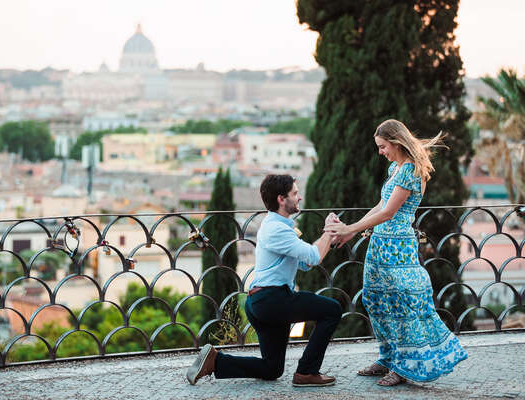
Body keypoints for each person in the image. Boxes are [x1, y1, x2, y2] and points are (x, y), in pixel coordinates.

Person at [325, 119, 468, 386]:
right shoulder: (395, 168)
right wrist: (353, 231)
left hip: (397, 248)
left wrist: (350, 227)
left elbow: (390, 213)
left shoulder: (410, 172)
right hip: (379, 245)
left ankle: (404, 366)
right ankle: (387, 358)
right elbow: (380, 205)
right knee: (375, 300)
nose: (380, 152)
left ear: (395, 141)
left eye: (382, 146)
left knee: (400, 305)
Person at [186, 174, 342, 387]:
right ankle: (307, 372)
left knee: (272, 369)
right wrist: (328, 230)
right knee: (332, 310)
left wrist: (329, 239)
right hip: (273, 299)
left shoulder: (278, 227)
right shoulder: (276, 229)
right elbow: (314, 256)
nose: (300, 198)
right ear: (281, 199)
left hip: (262, 301)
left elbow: (306, 263)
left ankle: (215, 361)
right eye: (295, 193)